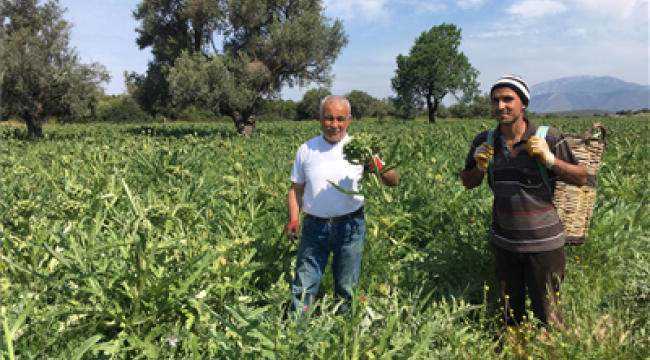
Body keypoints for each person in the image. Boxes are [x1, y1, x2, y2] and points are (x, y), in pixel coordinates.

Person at [460, 75, 587, 329]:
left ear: (523, 104)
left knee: (549, 313)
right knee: (511, 315)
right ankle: (517, 349)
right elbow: (468, 181)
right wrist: (480, 168)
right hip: (504, 242)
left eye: (508, 99)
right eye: (496, 100)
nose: (501, 106)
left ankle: (551, 350)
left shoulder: (549, 137)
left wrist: (550, 160)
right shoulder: (484, 141)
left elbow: (581, 177)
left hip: (545, 244)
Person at [286, 95, 399, 318]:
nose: (334, 125)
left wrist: (375, 166)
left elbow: (393, 181)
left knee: (347, 287)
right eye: (328, 119)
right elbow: (295, 190)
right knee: (304, 285)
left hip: (350, 227)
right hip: (313, 227)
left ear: (349, 120)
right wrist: (294, 219)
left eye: (340, 119)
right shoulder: (307, 150)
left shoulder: (360, 149)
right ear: (319, 118)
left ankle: (343, 333)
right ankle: (295, 334)